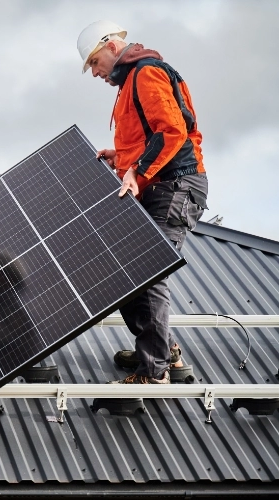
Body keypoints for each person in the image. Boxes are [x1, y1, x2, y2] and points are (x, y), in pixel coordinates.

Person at [77, 21, 209, 384]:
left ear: (111, 46)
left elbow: (171, 131)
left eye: (94, 62)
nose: (95, 73)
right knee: (126, 273)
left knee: (148, 271)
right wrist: (120, 157)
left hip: (175, 186)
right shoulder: (130, 82)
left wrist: (135, 170)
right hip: (158, 185)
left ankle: (155, 370)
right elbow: (146, 137)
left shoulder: (147, 72)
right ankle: (165, 351)